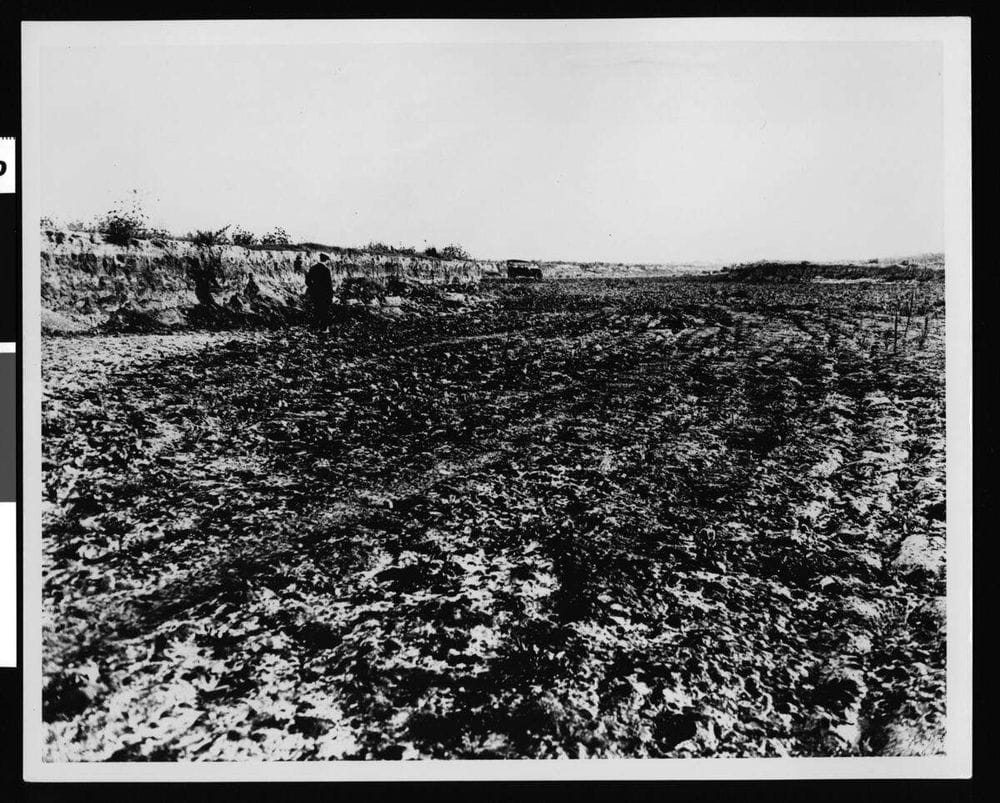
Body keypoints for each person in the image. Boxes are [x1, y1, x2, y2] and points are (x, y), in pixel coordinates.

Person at [305, 255, 334, 329]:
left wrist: (312, 288)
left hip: (315, 293)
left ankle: (315, 326)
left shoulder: (313, 268)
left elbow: (307, 281)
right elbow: (328, 285)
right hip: (324, 294)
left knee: (316, 308)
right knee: (324, 310)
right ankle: (324, 328)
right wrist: (330, 296)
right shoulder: (326, 270)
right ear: (326, 261)